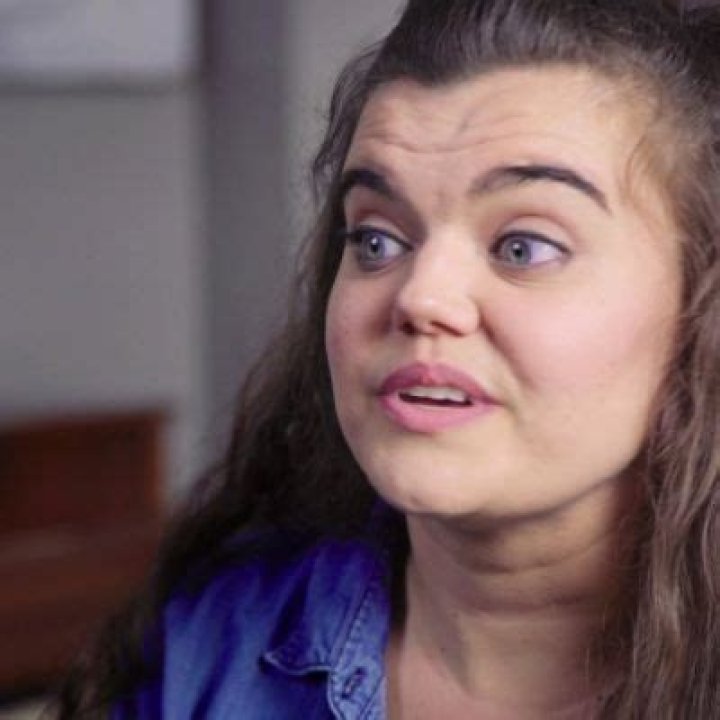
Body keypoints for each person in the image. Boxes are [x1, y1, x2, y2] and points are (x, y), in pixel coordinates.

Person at [58, 0, 720, 717]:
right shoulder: (207, 646)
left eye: (522, 246)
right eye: (377, 240)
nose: (419, 296)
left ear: (702, 304)